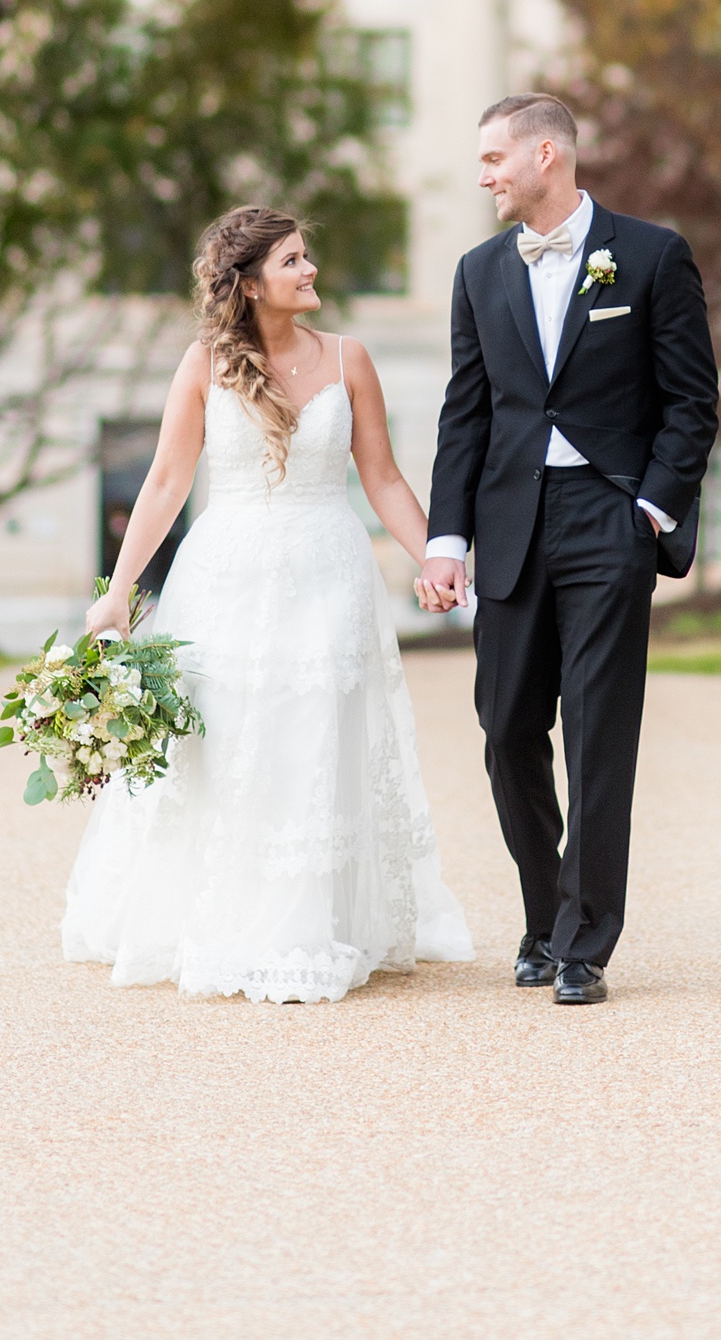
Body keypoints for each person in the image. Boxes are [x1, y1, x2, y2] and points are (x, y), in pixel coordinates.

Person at [62, 205, 473, 1003]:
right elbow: (166, 481)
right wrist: (118, 593)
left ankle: (309, 919)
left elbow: (383, 477)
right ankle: (226, 913)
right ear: (249, 284)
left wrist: (436, 558)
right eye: (292, 259)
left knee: (316, 738)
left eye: (305, 255)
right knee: (232, 740)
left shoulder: (351, 359)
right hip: (228, 578)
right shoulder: (205, 363)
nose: (310, 268)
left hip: (329, 574)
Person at [417, 94, 718, 1005]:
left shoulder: (653, 255)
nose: (484, 175)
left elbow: (691, 403)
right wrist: (445, 535)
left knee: (596, 733)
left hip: (609, 519)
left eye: (494, 157)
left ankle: (582, 942)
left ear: (547, 153)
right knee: (508, 729)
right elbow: (465, 413)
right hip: (512, 523)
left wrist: (652, 512)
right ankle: (544, 911)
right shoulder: (478, 273)